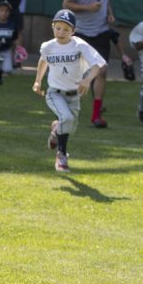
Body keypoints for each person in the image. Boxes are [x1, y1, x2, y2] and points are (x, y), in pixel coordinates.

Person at [32, 9, 106, 173]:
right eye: (58, 27)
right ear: (53, 27)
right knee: (66, 118)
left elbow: (96, 66)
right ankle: (62, 156)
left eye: (66, 29)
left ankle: (55, 131)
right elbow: (43, 62)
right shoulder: (48, 46)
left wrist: (87, 80)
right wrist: (37, 81)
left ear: (73, 31)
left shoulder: (79, 45)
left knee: (70, 126)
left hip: (74, 95)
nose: (61, 32)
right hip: (55, 93)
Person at [62, 0, 116, 128]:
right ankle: (65, 107)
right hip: (81, 32)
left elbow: (105, 0)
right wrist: (87, 8)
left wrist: (109, 14)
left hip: (101, 31)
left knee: (101, 71)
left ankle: (96, 115)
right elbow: (66, 4)